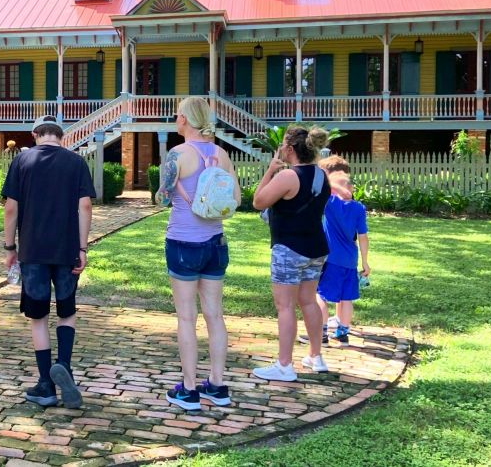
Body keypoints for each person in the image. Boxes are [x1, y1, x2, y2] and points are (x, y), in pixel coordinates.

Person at [155, 97, 241, 410]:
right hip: (216, 242)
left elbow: (161, 199)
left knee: (186, 317)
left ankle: (189, 389)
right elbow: (235, 198)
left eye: (177, 115)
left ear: (186, 119)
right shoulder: (221, 153)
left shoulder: (177, 154)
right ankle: (217, 386)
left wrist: (172, 188)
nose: (175, 120)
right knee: (215, 316)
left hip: (182, 243)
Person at [2, 115, 93, 409]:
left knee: (38, 316)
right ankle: (63, 364)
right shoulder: (76, 162)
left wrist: (9, 247)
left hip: (33, 251)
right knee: (67, 312)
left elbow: (10, 209)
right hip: (67, 250)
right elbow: (85, 206)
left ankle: (45, 385)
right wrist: (82, 247)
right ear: (61, 136)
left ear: (35, 133)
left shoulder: (21, 161)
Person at [251, 125, 331, 381]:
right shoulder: (321, 175)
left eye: (283, 144)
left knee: (284, 306)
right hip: (316, 248)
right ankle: (315, 356)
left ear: (289, 148)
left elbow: (258, 201)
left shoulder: (288, 177)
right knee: (308, 301)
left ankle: (284, 365)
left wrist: (271, 170)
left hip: (289, 249)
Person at [312, 157, 370, 346]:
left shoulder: (330, 204)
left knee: (319, 294)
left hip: (331, 258)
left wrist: (333, 183)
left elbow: (323, 188)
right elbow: (362, 236)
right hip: (350, 259)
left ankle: (321, 334)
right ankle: (343, 333)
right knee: (346, 298)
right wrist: (365, 262)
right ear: (352, 188)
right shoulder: (359, 208)